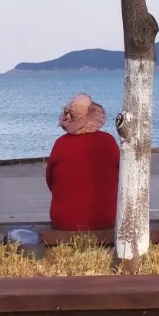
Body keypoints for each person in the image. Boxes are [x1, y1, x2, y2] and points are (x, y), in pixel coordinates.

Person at [45, 94, 119, 231]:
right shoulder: (109, 142)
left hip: (64, 222)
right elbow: (119, 177)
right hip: (104, 219)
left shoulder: (60, 144)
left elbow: (50, 181)